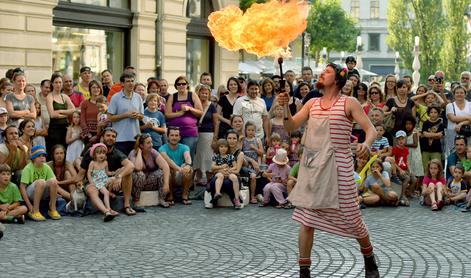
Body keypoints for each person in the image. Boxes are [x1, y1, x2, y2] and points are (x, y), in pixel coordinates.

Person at [279, 63, 379, 278]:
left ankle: (369, 257)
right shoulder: (312, 103)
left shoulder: (348, 102)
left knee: (352, 218)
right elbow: (290, 127)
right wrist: (286, 107)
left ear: (338, 79)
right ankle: (304, 272)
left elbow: (371, 129)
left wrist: (366, 144)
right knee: (307, 220)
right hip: (313, 166)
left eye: (327, 72)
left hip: (339, 165)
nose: (322, 74)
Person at [76, 127, 136, 216]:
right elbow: (80, 176)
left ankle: (127, 206)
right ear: (102, 137)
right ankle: (107, 211)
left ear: (115, 140)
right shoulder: (91, 153)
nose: (110, 138)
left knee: (127, 171)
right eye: (108, 135)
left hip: (109, 182)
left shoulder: (117, 153)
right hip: (93, 182)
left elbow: (131, 166)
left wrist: (119, 177)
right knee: (92, 189)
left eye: (113, 136)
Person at [165, 76, 203, 160]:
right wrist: (180, 113)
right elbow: (167, 115)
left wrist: (190, 109)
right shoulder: (172, 97)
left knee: (188, 158)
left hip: (189, 132)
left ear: (187, 85)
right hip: (174, 132)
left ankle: (188, 173)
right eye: (179, 84)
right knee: (174, 157)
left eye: (183, 83)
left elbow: (200, 112)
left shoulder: (192, 95)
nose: (181, 85)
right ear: (176, 86)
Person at [19, 145, 61, 221]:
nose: (42, 158)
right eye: (39, 156)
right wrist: (29, 205)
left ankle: (52, 209)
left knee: (53, 181)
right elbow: (22, 187)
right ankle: (35, 211)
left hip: (42, 192)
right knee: (41, 182)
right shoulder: (28, 168)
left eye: (43, 156)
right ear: (33, 158)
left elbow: (54, 183)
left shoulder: (46, 167)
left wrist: (55, 193)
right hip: (31, 193)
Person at [108, 71, 144, 156]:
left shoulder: (138, 97)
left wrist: (138, 116)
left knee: (135, 165)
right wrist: (126, 115)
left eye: (132, 81)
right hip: (120, 138)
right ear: (122, 83)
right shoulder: (115, 97)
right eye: (128, 81)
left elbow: (142, 116)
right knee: (122, 166)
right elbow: (110, 117)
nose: (131, 83)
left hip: (135, 138)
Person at [128, 134, 170, 207]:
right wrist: (139, 153)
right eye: (148, 143)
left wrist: (166, 183)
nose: (151, 145)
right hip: (136, 184)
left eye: (151, 142)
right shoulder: (133, 153)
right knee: (139, 174)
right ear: (141, 145)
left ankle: (161, 199)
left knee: (162, 172)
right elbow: (138, 168)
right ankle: (136, 201)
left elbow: (165, 166)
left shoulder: (153, 152)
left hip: (149, 182)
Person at [206, 130, 245, 209]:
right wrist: (221, 170)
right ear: (226, 139)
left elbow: (237, 170)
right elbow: (213, 169)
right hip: (221, 174)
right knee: (214, 180)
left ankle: (235, 200)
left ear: (237, 140)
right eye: (229, 138)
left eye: (234, 138)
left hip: (233, 175)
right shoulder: (218, 153)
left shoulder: (239, 154)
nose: (232, 140)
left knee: (227, 182)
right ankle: (214, 200)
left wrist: (227, 171)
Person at [158, 127, 193, 205]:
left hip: (180, 174)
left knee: (189, 169)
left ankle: (185, 196)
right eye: (172, 135)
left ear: (180, 137)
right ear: (168, 137)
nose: (174, 137)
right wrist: (179, 169)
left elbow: (187, 156)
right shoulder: (162, 148)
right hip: (171, 174)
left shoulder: (185, 147)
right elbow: (168, 161)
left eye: (176, 135)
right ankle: (170, 196)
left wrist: (188, 165)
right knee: (168, 168)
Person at [87, 143, 120, 222]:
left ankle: (110, 192)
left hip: (104, 179)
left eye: (103, 153)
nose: (101, 155)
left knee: (113, 179)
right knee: (105, 193)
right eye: (99, 153)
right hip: (97, 181)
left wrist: (113, 173)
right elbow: (89, 173)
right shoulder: (93, 163)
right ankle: (108, 209)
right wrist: (91, 182)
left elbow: (107, 172)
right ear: (94, 154)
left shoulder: (105, 162)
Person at [193, 84, 219, 185]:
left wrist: (215, 139)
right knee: (197, 158)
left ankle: (210, 182)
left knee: (208, 158)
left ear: (209, 95)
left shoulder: (211, 106)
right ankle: (197, 181)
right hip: (195, 134)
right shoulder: (194, 104)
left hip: (208, 135)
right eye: (202, 92)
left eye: (206, 93)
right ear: (198, 93)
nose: (204, 95)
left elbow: (216, 123)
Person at [46, 73, 75, 155]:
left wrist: (59, 111)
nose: (58, 84)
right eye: (56, 82)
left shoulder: (64, 96)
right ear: (52, 84)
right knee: (55, 151)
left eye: (60, 82)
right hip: (54, 129)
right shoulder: (50, 96)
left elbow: (73, 110)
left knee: (64, 151)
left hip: (65, 128)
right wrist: (67, 113)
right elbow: (52, 115)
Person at [445, 85, 471, 155]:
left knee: (468, 154)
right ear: (454, 94)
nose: (459, 94)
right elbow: (453, 118)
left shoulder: (470, 105)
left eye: (462, 93)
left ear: (465, 94)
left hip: (467, 134)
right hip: (453, 134)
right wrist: (468, 118)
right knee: (454, 154)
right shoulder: (449, 106)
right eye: (457, 93)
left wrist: (460, 124)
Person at [420, 106, 444, 173]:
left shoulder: (441, 123)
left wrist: (429, 134)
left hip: (436, 149)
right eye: (431, 112)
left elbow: (440, 136)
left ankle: (437, 182)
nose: (433, 114)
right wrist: (436, 134)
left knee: (437, 167)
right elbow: (424, 134)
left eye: (435, 112)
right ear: (428, 113)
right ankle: (426, 182)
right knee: (426, 168)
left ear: (438, 113)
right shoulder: (425, 123)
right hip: (425, 149)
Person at [79, 80, 103, 144]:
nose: (96, 89)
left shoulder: (105, 103)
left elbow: (107, 120)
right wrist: (88, 134)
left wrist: (98, 136)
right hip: (88, 134)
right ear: (90, 89)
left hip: (101, 134)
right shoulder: (85, 103)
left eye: (98, 87)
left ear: (100, 89)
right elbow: (82, 119)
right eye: (93, 87)